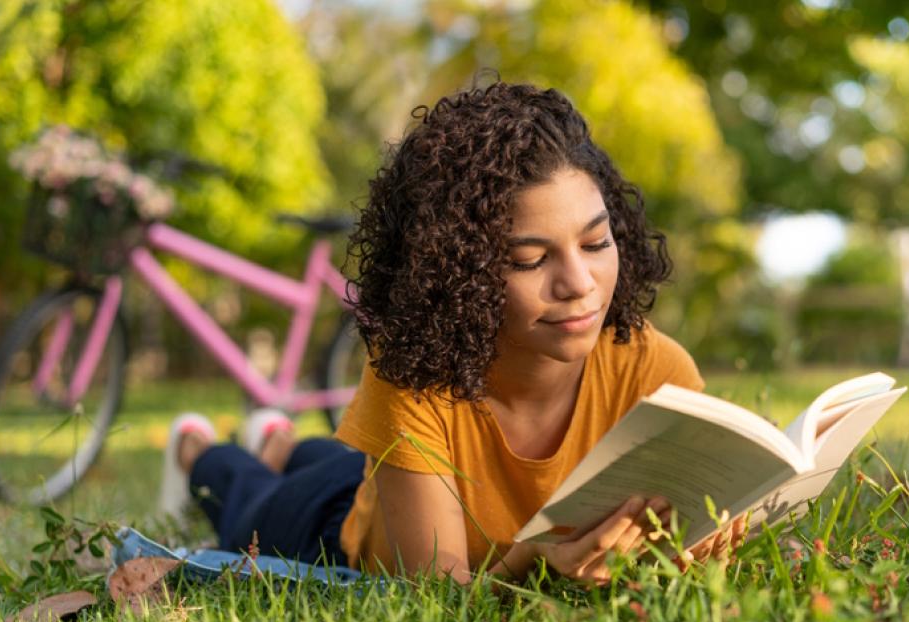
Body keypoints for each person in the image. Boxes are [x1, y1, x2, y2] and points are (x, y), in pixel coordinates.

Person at [159, 81, 747, 584]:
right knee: (244, 503)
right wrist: (532, 563)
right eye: (529, 259)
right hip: (336, 523)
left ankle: (282, 443)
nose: (579, 284)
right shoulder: (414, 369)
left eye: (596, 244)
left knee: (329, 456)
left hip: (394, 469)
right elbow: (438, 596)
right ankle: (194, 449)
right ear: (459, 270)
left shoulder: (654, 369)